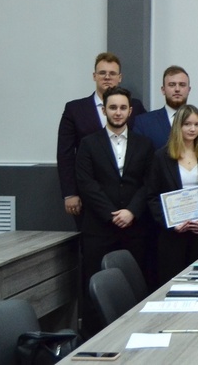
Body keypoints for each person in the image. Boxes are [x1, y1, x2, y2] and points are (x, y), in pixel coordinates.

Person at [74, 86, 154, 334]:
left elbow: (149, 183)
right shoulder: (88, 144)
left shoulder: (145, 144)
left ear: (130, 111)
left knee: (135, 286)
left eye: (122, 108)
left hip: (135, 228)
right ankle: (92, 342)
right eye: (112, 107)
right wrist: (111, 214)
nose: (117, 112)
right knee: (94, 288)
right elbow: (86, 184)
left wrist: (131, 211)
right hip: (99, 228)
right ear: (104, 110)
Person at [57, 52, 146, 227]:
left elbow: (142, 145)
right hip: (89, 195)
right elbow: (65, 153)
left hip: (128, 196)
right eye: (102, 73)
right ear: (94, 76)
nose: (107, 77)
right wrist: (70, 193)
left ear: (120, 78)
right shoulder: (75, 109)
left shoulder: (135, 106)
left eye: (112, 73)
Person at [146, 104, 198, 285]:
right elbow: (152, 196)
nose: (193, 129)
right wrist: (170, 223)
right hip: (172, 236)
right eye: (187, 124)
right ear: (178, 126)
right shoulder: (161, 157)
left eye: (197, 124)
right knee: (174, 283)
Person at [134, 65, 198, 149]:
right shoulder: (144, 123)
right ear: (163, 90)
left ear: (189, 90)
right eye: (172, 85)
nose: (177, 89)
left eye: (182, 85)